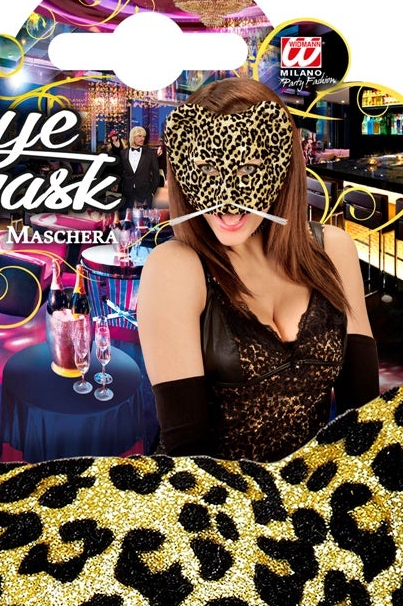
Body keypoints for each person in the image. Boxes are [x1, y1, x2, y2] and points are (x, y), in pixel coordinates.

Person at [137, 79, 380, 462]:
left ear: (281, 167)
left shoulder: (334, 250)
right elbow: (189, 460)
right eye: (206, 169)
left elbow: (364, 416)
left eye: (248, 168)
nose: (226, 199)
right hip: (209, 493)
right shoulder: (176, 268)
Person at [117, 124, 162, 211]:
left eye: (144, 136)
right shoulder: (123, 153)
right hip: (127, 193)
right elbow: (119, 173)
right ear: (133, 137)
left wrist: (152, 192)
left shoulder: (150, 153)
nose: (142, 139)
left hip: (145, 193)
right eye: (139, 136)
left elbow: (156, 174)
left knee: (146, 218)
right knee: (126, 218)